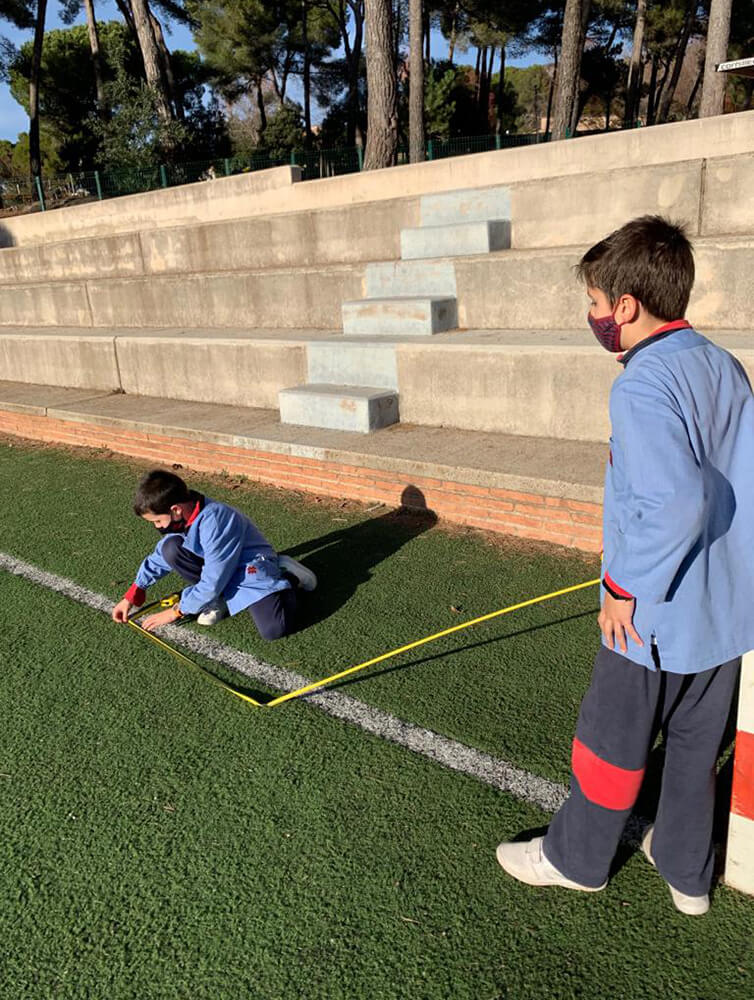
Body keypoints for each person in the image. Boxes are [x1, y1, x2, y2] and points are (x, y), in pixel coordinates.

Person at [496, 215, 754, 915]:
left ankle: (578, 859)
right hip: (725, 614)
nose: (592, 316)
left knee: (611, 743)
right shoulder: (723, 363)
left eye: (593, 302)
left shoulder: (642, 384)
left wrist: (621, 588)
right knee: (697, 752)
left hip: (654, 616)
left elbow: (678, 504)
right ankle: (686, 873)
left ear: (627, 307)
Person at [111, 469, 316, 638]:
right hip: (220, 568)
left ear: (176, 510)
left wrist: (176, 611)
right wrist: (133, 594)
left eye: (157, 521)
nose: (157, 526)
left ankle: (288, 576)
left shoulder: (216, 521)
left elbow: (213, 579)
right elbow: (160, 557)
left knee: (274, 629)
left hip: (249, 566)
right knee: (169, 548)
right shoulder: (185, 516)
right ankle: (217, 599)